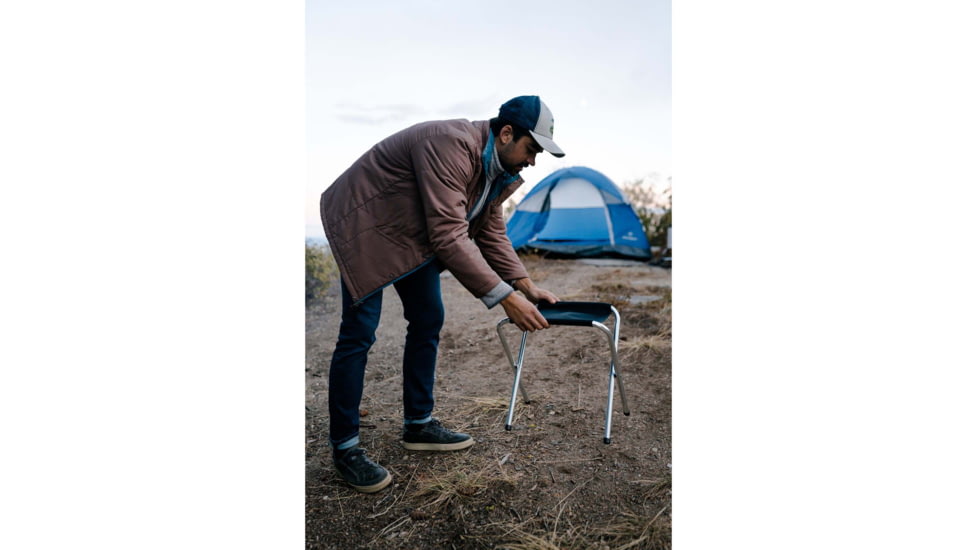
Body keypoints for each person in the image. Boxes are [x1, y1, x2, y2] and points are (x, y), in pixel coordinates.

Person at [319, 95, 563, 493]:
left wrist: (525, 285)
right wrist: (504, 297)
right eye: (532, 149)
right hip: (364, 223)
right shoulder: (449, 144)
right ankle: (345, 448)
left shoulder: (494, 168)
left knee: (429, 316)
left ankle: (418, 424)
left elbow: (489, 230)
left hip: (410, 233)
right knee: (359, 332)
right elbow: (450, 235)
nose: (533, 161)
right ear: (506, 133)